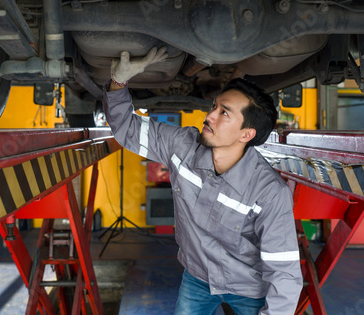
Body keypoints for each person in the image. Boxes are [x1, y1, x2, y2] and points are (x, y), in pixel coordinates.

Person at [103, 47, 303, 314]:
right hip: (197, 278)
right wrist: (118, 82)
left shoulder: (269, 192)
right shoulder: (182, 146)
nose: (209, 116)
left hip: (248, 287)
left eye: (225, 113)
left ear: (247, 134)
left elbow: (284, 270)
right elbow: (127, 128)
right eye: (214, 107)